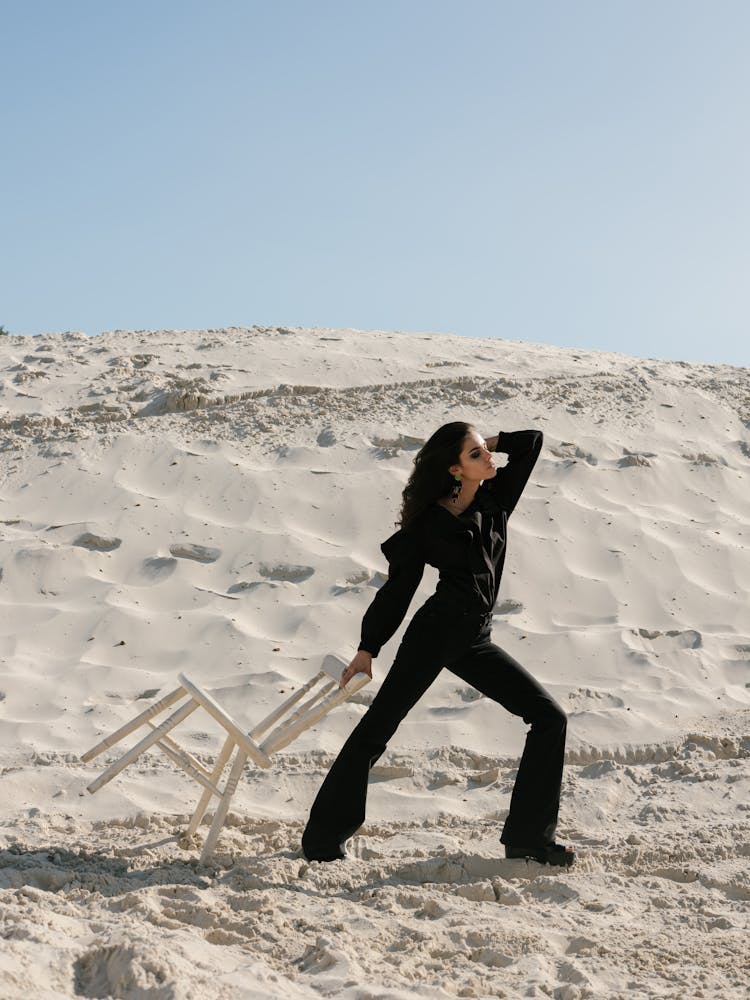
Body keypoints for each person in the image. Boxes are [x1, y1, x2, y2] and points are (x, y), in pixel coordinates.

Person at [301, 422, 574, 867]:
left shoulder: (495, 499)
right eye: (476, 455)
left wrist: (490, 441)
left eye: (486, 452)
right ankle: (322, 841)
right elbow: (398, 590)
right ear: (453, 469)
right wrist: (369, 647)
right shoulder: (428, 525)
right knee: (376, 731)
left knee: (549, 718)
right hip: (434, 635)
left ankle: (528, 840)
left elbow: (533, 442)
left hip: (475, 640)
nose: (489, 460)